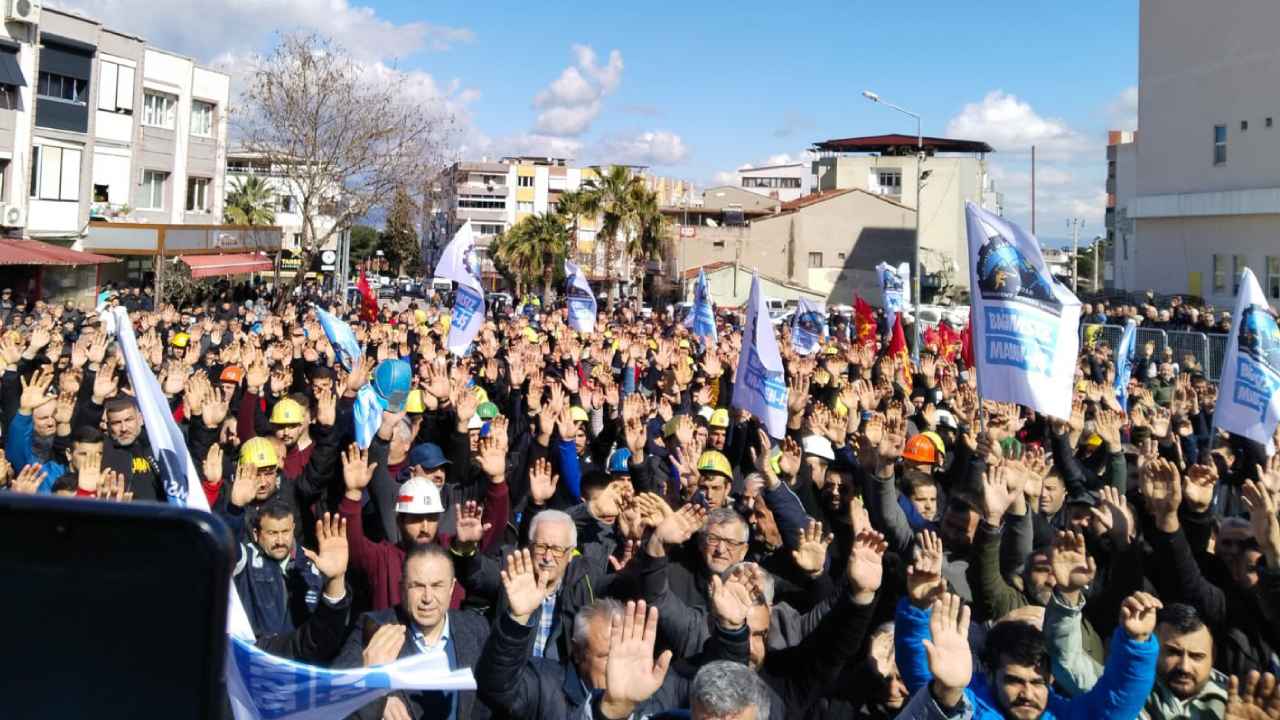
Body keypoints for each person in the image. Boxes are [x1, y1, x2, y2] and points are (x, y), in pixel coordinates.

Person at [336, 544, 493, 720]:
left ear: (451, 588)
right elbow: (336, 696)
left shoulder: (476, 628)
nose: (427, 598)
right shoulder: (372, 628)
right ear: (402, 588)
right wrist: (376, 697)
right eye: (418, 586)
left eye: (437, 585)